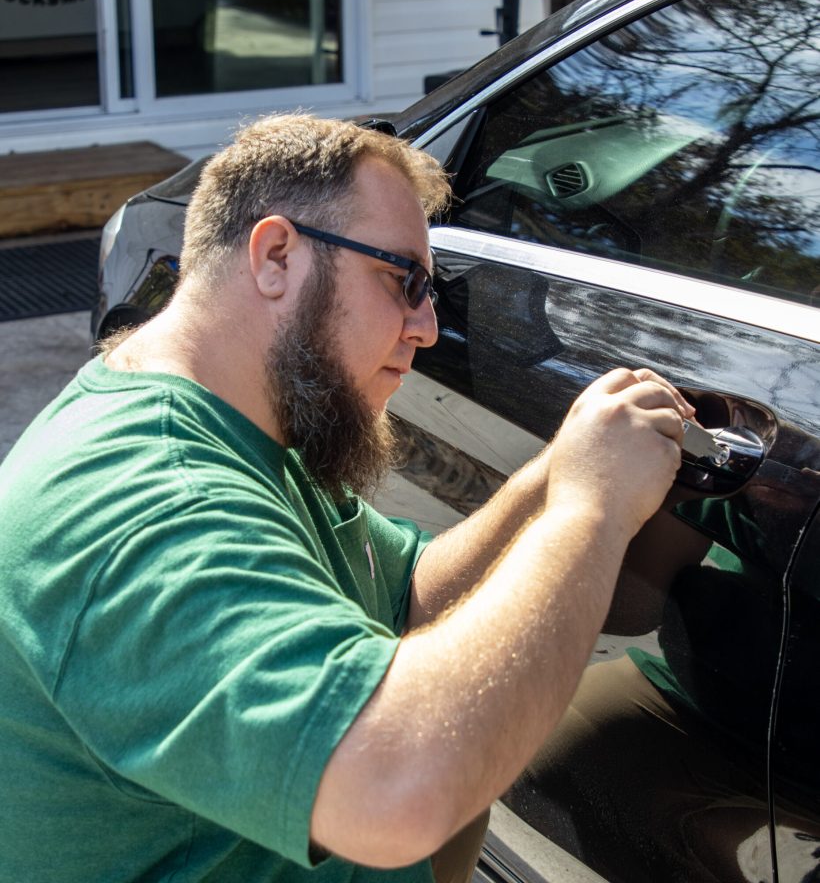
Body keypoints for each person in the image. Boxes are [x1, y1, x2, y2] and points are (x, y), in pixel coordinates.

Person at [0, 113, 692, 883]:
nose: (426, 326)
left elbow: (405, 598)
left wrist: (555, 474)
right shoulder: (148, 502)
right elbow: (396, 790)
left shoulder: (250, 426)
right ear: (275, 256)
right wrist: (588, 510)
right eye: (407, 281)